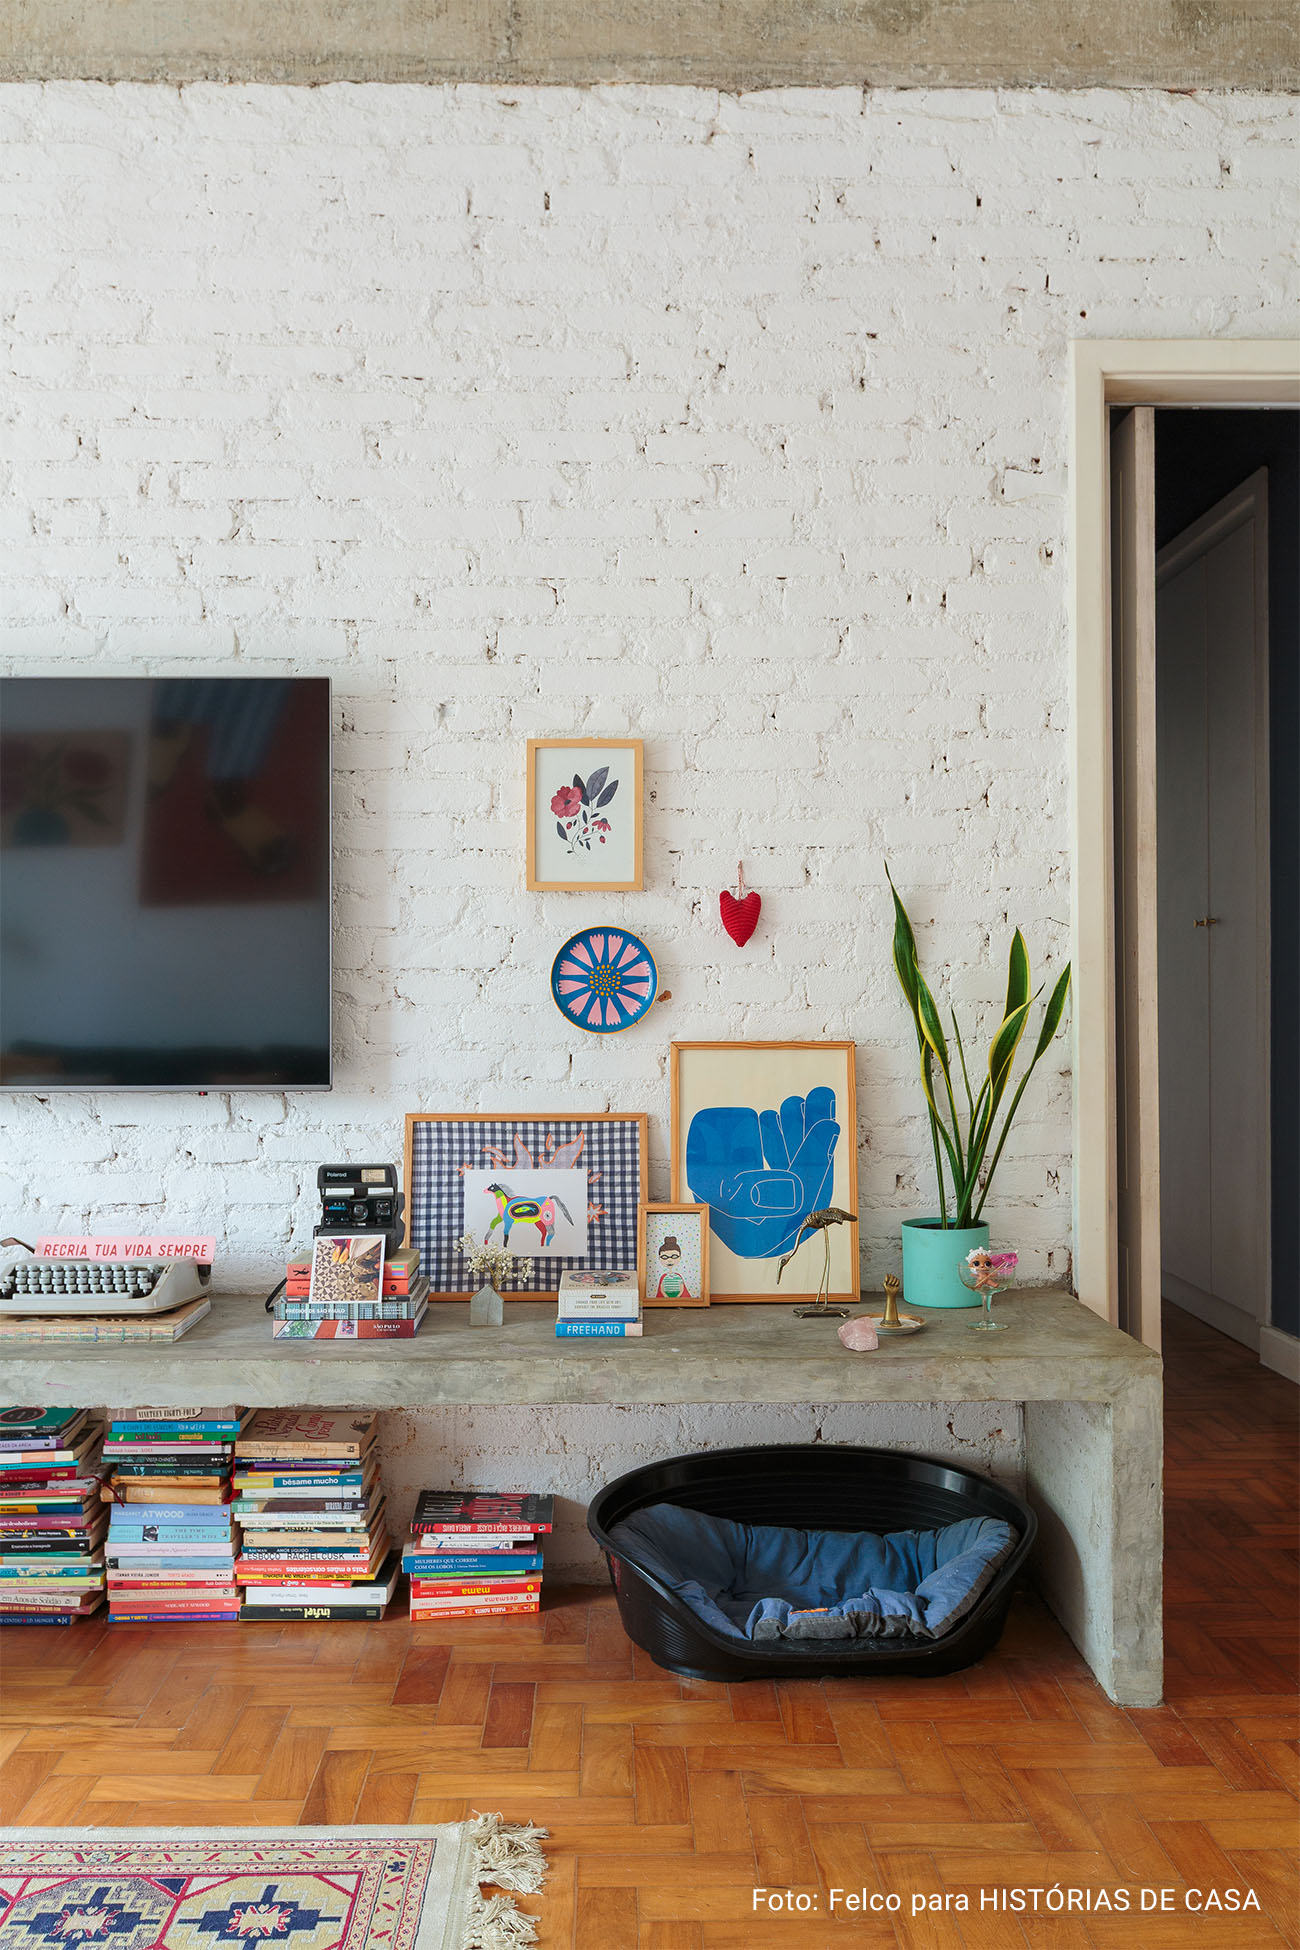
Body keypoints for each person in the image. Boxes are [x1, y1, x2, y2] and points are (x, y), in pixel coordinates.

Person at [654, 1235, 692, 1302]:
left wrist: (677, 1297)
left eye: (674, 1256)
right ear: (659, 1258)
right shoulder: (663, 1277)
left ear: (680, 1257)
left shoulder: (678, 1276)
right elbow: (661, 1290)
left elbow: (682, 1289)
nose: (669, 1260)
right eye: (664, 1257)